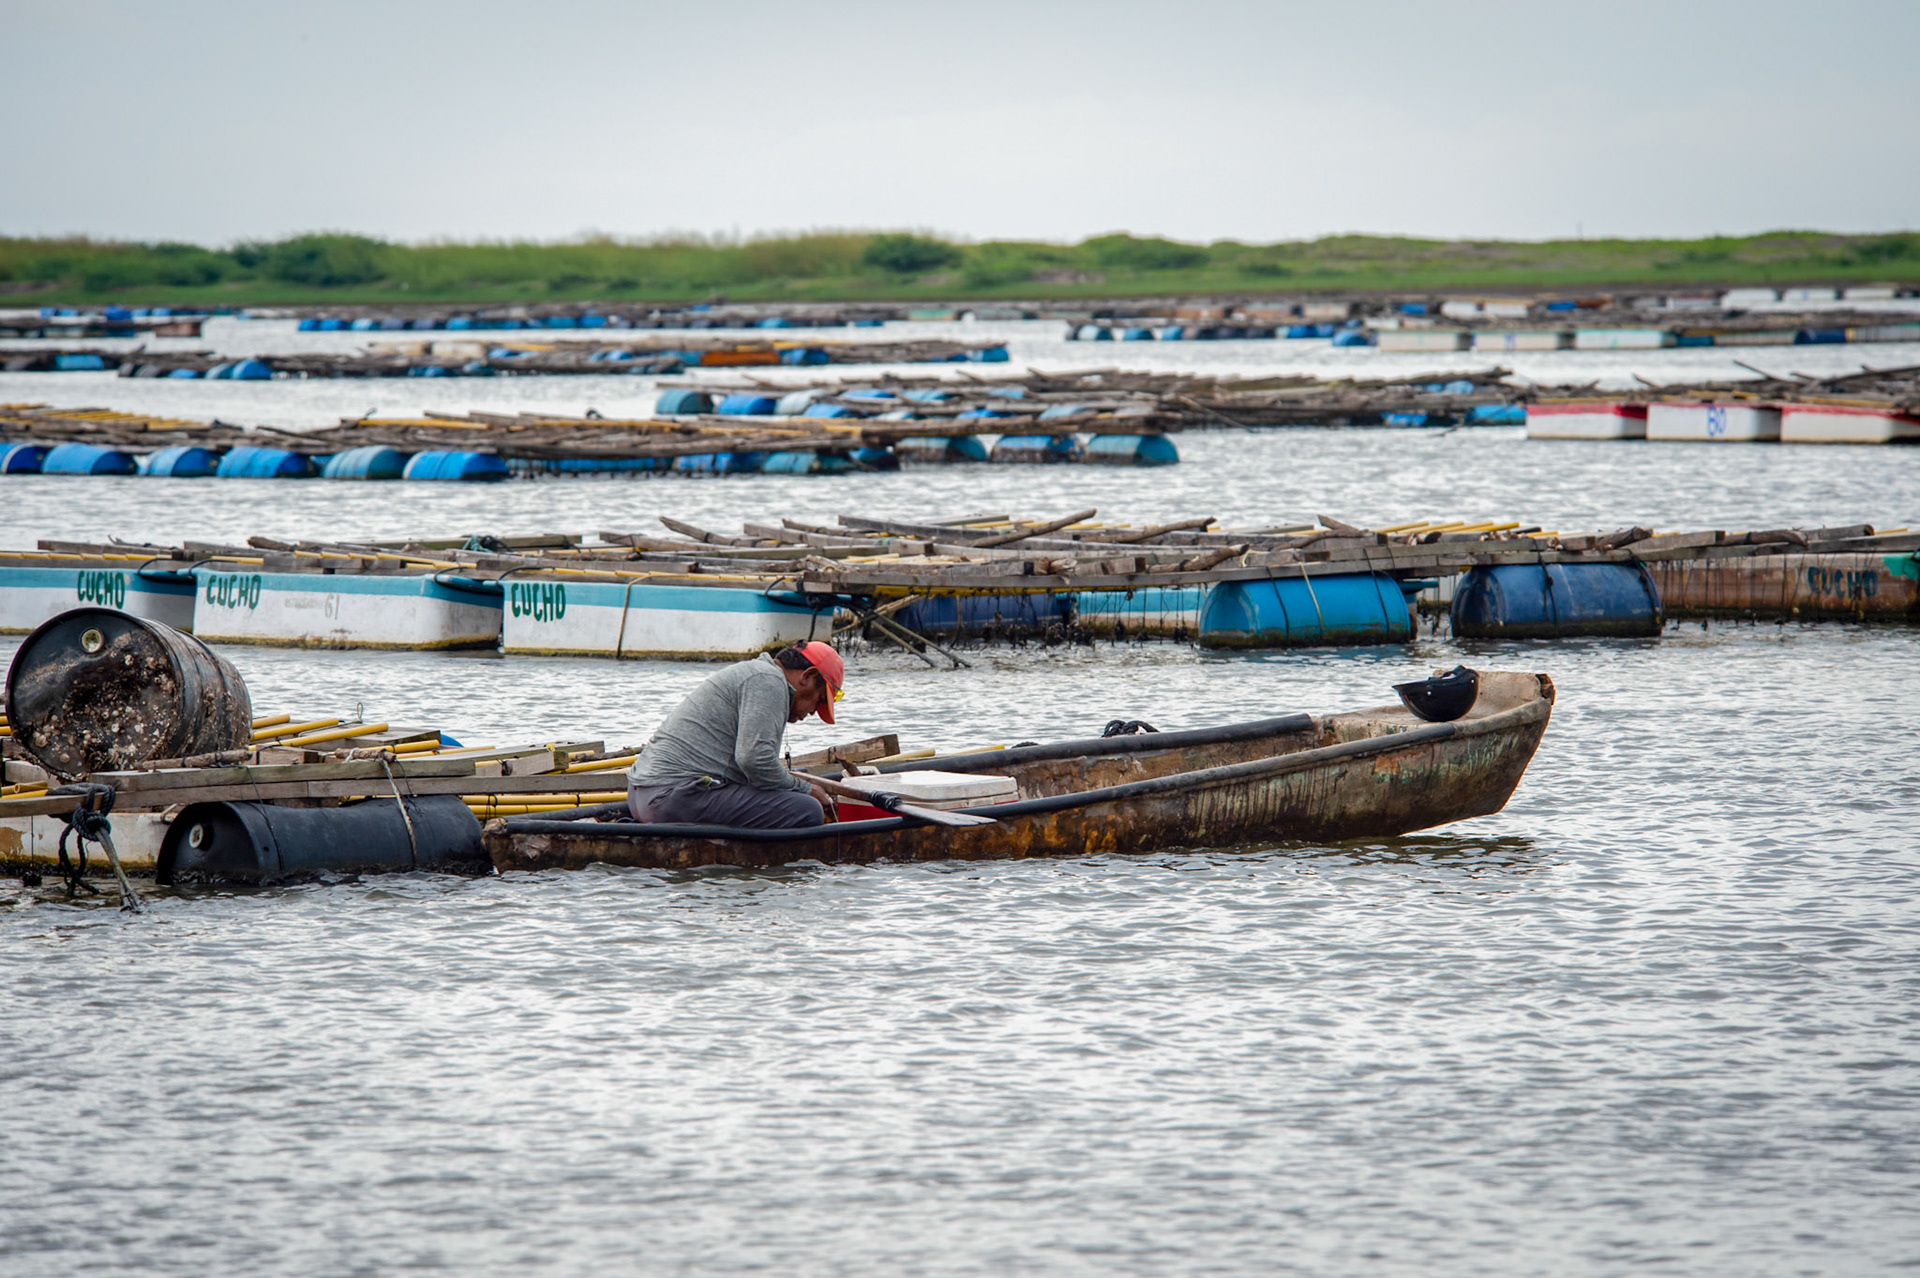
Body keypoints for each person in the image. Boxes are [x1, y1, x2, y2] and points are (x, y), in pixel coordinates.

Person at [625, 641, 845, 829]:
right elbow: (755, 762)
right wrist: (805, 789)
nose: (814, 711)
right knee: (807, 810)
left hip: (642, 797)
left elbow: (753, 767)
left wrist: (794, 784)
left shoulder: (757, 673)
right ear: (808, 676)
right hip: (670, 799)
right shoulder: (768, 681)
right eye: (820, 700)